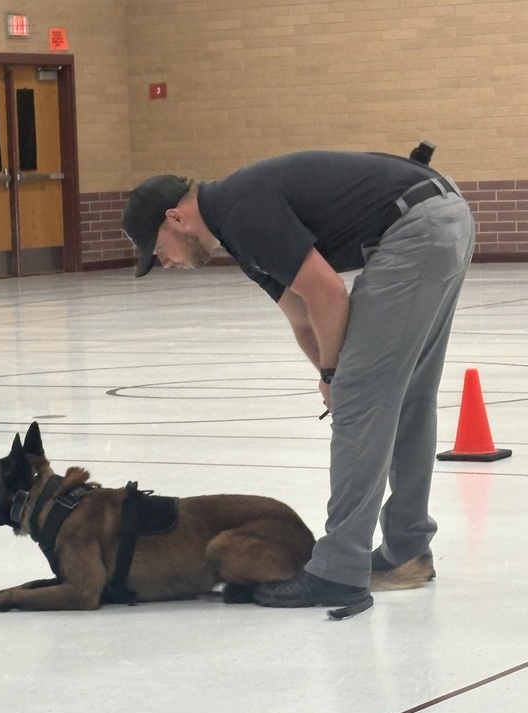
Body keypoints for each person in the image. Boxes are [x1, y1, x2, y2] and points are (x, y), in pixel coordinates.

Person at [121, 148, 475, 613]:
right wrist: (329, 375)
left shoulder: (242, 211)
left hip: (417, 228)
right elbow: (303, 314)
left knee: (362, 403)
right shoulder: (236, 227)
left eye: (158, 249)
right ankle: (407, 545)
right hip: (441, 216)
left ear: (176, 217)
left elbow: (329, 294)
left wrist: (338, 377)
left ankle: (339, 571)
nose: (163, 262)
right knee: (407, 398)